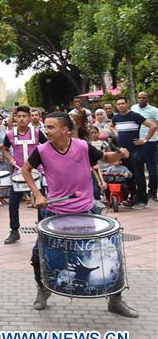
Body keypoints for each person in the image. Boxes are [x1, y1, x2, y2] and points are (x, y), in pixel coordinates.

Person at [21, 112, 138, 317]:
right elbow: (25, 170)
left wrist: (120, 155)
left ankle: (115, 300)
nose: (45, 131)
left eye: (50, 127)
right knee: (39, 255)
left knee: (109, 253)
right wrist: (38, 194)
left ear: (65, 130)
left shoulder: (82, 146)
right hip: (55, 211)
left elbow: (105, 158)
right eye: (45, 127)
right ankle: (43, 290)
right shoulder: (41, 150)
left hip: (86, 210)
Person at [1, 106, 47, 244]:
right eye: (19, 116)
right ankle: (14, 231)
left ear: (29, 118)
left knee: (41, 202)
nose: (21, 118)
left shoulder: (38, 133)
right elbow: (5, 149)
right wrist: (10, 159)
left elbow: (47, 148)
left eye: (24, 116)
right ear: (15, 118)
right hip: (19, 172)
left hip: (36, 172)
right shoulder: (10, 134)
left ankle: (43, 231)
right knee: (13, 203)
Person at [110, 97, 157, 209]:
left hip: (136, 151)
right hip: (122, 152)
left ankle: (142, 200)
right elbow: (111, 126)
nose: (121, 105)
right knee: (127, 176)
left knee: (138, 175)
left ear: (127, 104)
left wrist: (144, 140)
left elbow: (153, 126)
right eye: (118, 104)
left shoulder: (135, 115)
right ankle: (132, 198)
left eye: (122, 103)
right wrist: (116, 133)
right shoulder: (116, 117)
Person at [131, 91, 158, 201]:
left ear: (148, 99)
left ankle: (152, 191)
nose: (141, 99)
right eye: (140, 97)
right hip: (136, 142)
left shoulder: (154, 110)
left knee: (152, 168)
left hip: (150, 142)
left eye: (144, 97)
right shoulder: (133, 108)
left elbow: (156, 125)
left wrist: (146, 139)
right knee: (138, 168)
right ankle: (141, 192)